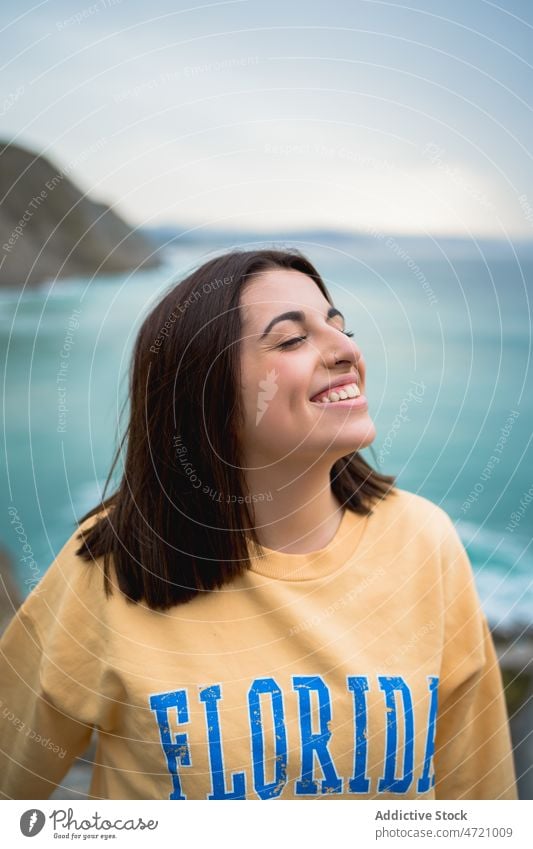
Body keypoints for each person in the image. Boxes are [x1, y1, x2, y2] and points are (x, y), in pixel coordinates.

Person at [0, 249, 517, 800]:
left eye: (339, 327)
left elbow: (478, 800)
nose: (346, 350)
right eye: (293, 339)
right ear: (206, 394)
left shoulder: (424, 541)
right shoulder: (111, 564)